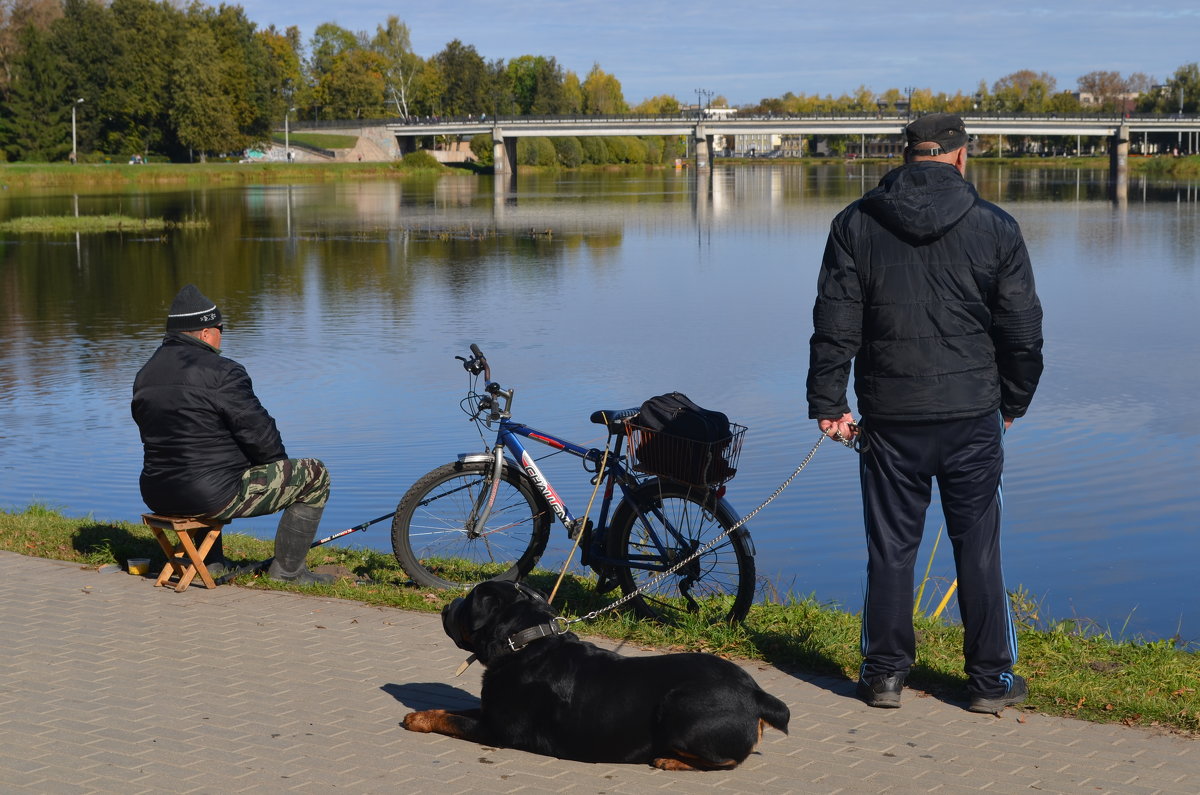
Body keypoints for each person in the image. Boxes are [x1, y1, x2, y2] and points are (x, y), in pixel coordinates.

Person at [805, 113, 1044, 713]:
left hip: (890, 420)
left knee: (889, 550)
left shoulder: (856, 222)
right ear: (962, 156)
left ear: (907, 155)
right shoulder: (997, 227)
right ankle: (989, 683)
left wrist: (828, 403)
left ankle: (884, 676)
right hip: (971, 418)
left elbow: (835, 322)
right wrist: (1014, 399)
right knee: (979, 550)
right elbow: (1022, 330)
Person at [131, 284, 336, 585]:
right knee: (315, 476)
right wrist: (275, 465)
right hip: (208, 494)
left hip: (157, 491)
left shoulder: (146, 373)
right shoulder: (223, 372)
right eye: (220, 328)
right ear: (204, 332)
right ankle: (289, 573)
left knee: (209, 468)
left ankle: (210, 562)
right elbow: (259, 431)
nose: (222, 336)